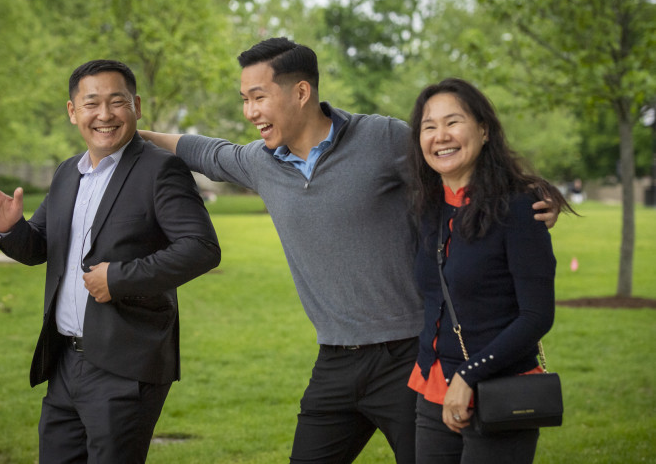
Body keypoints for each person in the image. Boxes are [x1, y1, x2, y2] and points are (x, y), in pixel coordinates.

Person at [139, 38, 558, 463]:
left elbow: (454, 160)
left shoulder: (383, 137)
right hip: (335, 361)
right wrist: (128, 133)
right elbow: (203, 150)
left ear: (301, 92)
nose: (250, 112)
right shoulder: (259, 162)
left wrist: (530, 198)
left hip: (409, 354)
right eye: (245, 100)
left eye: (258, 97)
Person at [0, 59, 221, 463]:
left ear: (135, 106)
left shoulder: (160, 169)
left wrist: (118, 279)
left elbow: (201, 247)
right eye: (91, 103)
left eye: (117, 102)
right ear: (73, 112)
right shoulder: (69, 173)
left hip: (126, 364)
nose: (104, 115)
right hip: (64, 360)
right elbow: (40, 248)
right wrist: (10, 230)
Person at [406, 78, 574, 463]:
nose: (440, 135)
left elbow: (536, 316)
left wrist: (469, 375)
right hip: (433, 391)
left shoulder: (519, 207)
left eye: (453, 122)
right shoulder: (428, 206)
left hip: (499, 391)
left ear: (483, 130)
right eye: (429, 126)